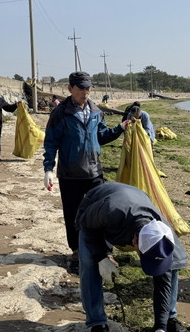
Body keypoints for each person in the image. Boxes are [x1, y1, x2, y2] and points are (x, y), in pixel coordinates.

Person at [76, 182, 190, 332]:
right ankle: (97, 325)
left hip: (135, 201)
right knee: (89, 261)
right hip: (95, 208)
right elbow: (86, 223)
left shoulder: (163, 235)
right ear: (135, 242)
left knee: (172, 268)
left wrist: (160, 329)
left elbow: (164, 282)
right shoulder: (111, 211)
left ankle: (168, 320)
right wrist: (102, 256)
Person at [42, 71, 127, 274]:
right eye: (81, 88)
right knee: (73, 216)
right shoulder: (61, 113)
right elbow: (51, 142)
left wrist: (120, 128)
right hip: (70, 174)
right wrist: (48, 169)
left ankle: (105, 252)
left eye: (88, 88)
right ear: (70, 89)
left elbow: (101, 136)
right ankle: (77, 252)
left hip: (94, 172)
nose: (85, 92)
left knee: (103, 213)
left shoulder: (96, 111)